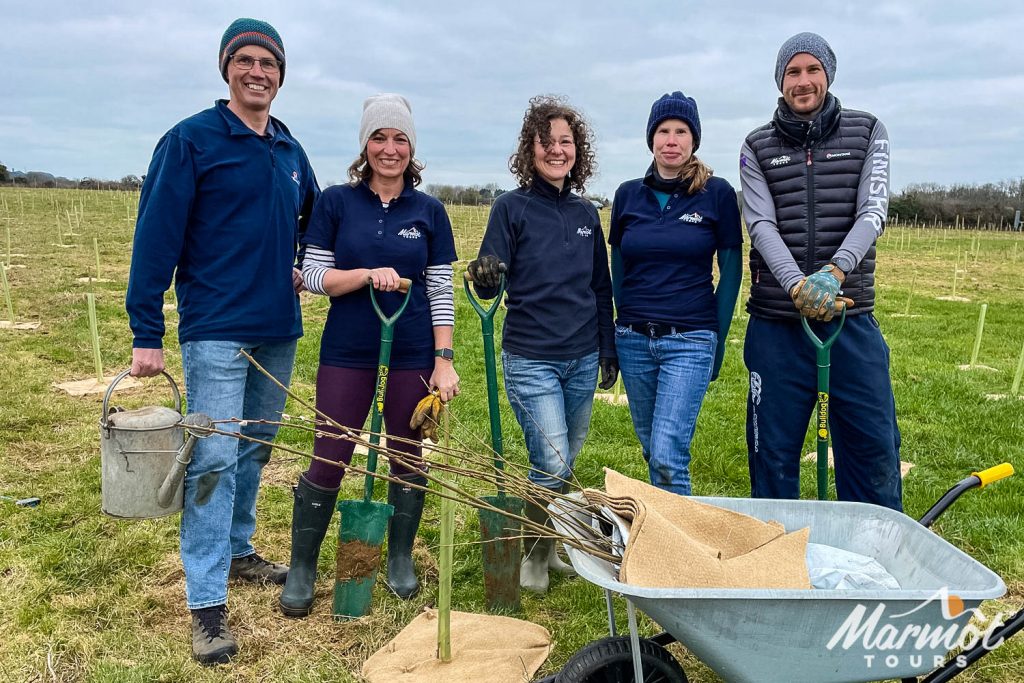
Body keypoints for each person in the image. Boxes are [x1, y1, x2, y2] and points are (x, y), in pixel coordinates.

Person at [125, 18, 320, 665]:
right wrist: (145, 330)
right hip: (215, 330)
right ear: (226, 67)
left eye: (269, 62)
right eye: (247, 61)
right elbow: (155, 237)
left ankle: (239, 551)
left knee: (256, 448)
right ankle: (206, 605)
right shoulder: (192, 141)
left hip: (278, 329)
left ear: (281, 74)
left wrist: (306, 263)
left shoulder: (289, 151)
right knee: (212, 458)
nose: (258, 72)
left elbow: (317, 220)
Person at [278, 94, 459, 617]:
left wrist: (443, 358)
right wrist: (364, 275)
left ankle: (399, 557)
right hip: (348, 349)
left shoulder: (429, 211)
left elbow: (441, 290)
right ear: (365, 144)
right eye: (379, 137)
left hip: (413, 352)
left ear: (411, 148)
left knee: (407, 451)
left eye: (400, 138)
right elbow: (312, 275)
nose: (390, 148)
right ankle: (304, 566)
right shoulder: (337, 203)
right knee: (330, 450)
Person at [739, 32, 901, 510]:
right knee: (772, 456)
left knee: (873, 449)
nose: (803, 80)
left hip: (849, 322)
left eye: (813, 69)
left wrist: (833, 273)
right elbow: (761, 223)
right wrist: (797, 285)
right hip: (777, 327)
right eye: (793, 71)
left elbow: (872, 212)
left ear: (828, 74)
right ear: (780, 80)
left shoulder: (869, 131)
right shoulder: (756, 146)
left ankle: (872, 564)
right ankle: (778, 562)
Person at [469, 95, 616, 594]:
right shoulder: (511, 208)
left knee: (567, 459)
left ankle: (549, 548)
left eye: (566, 142)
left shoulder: (586, 213)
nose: (557, 150)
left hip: (582, 355)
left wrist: (608, 348)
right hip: (531, 356)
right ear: (529, 148)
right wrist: (485, 276)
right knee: (550, 462)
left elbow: (600, 286)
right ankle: (533, 554)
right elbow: (490, 276)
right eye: (546, 141)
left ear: (579, 151)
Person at [609, 91, 743, 496]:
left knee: (669, 453)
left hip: (690, 339)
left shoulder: (717, 193)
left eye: (681, 131)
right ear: (651, 139)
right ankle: (660, 533)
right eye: (663, 131)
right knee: (652, 450)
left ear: (694, 139)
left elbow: (732, 271)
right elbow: (618, 265)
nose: (672, 140)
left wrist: (716, 340)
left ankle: (677, 549)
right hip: (634, 340)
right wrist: (621, 321)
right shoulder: (627, 195)